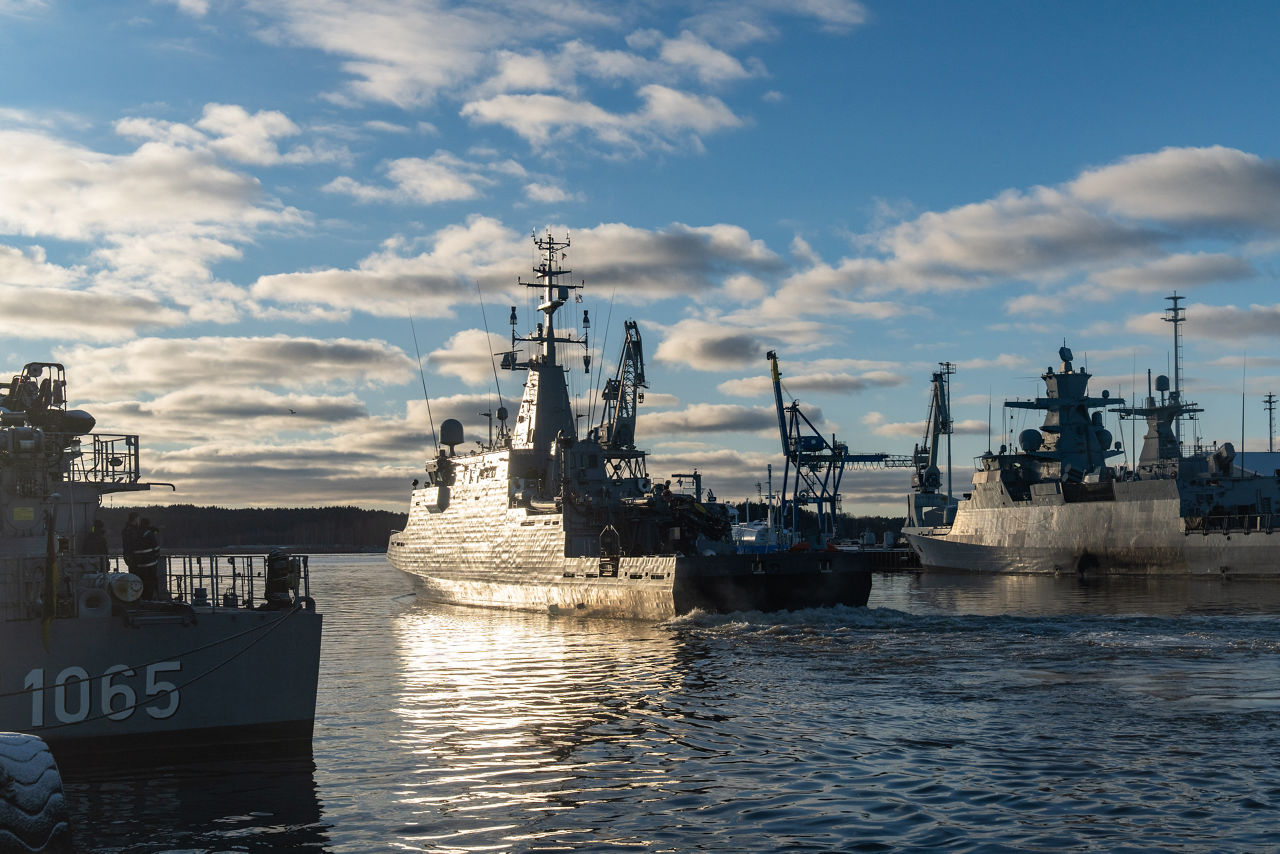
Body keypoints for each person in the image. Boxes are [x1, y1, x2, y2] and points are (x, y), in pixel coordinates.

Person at [134, 518, 161, 600]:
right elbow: (156, 548)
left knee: (141, 581)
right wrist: (156, 555)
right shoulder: (149, 534)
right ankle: (150, 598)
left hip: (139, 564)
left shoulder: (136, 533)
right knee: (151, 582)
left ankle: (141, 598)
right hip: (150, 563)